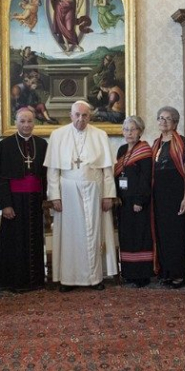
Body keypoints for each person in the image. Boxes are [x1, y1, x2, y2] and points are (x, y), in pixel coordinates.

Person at [44, 100, 117, 290]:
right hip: (67, 192)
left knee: (93, 233)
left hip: (94, 190)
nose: (80, 119)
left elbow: (107, 170)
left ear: (89, 116)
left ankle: (94, 278)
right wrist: (55, 196)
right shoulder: (58, 135)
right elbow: (53, 171)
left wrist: (108, 195)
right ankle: (68, 279)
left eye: (84, 115)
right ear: (71, 115)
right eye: (77, 115)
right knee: (69, 237)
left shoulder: (100, 135)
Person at [0, 107, 48, 292]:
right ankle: (15, 281)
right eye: (22, 121)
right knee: (15, 240)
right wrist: (5, 205)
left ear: (34, 123)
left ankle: (36, 280)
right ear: (15, 122)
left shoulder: (42, 144)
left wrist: (45, 200)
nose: (26, 125)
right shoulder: (5, 145)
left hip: (35, 200)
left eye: (30, 121)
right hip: (14, 201)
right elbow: (1, 179)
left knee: (34, 239)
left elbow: (46, 176)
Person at [151, 106, 185, 289]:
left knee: (177, 235)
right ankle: (165, 272)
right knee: (163, 234)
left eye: (168, 118)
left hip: (177, 195)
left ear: (175, 123)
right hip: (159, 197)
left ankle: (178, 274)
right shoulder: (156, 144)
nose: (164, 121)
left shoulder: (183, 143)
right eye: (161, 118)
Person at [114, 116, 154, 287]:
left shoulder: (144, 150)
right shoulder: (122, 149)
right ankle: (129, 272)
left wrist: (140, 200)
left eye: (133, 129)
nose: (129, 133)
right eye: (126, 129)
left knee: (140, 236)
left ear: (140, 131)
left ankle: (142, 275)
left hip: (138, 201)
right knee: (127, 236)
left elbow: (145, 178)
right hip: (123, 201)